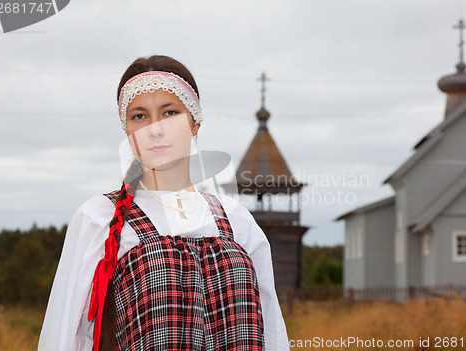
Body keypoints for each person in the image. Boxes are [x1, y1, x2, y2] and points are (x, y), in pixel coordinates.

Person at [38, 55, 290, 351]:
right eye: (139, 116)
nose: (154, 129)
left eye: (169, 113)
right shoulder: (99, 218)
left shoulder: (238, 221)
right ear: (128, 131)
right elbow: (64, 336)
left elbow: (272, 333)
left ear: (195, 122)